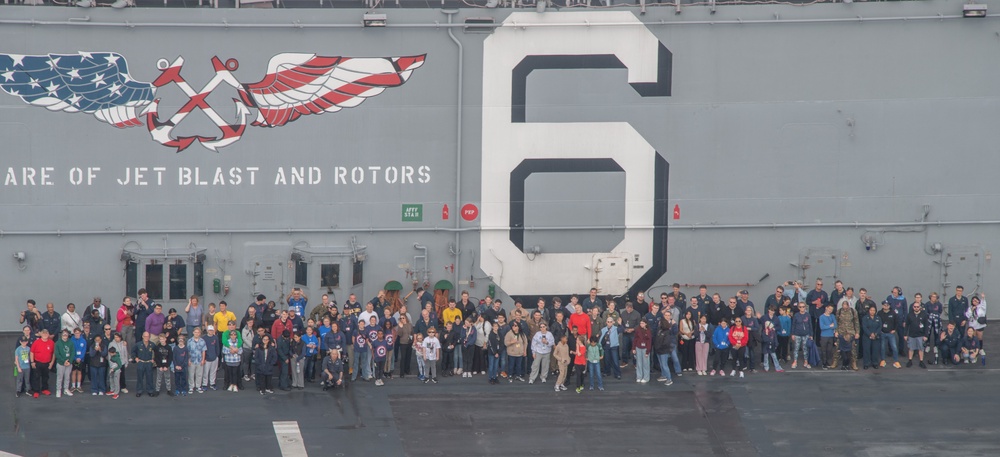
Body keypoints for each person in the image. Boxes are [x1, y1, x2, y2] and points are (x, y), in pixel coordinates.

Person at [835, 299, 860, 371]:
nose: (845, 307)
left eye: (846, 305)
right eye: (843, 305)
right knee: (838, 347)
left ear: (848, 305)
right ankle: (835, 361)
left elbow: (856, 322)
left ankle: (853, 362)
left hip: (850, 332)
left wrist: (857, 332)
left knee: (853, 348)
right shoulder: (839, 311)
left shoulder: (853, 311)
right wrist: (836, 331)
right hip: (841, 332)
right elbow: (836, 322)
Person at [29, 329, 55, 398]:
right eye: (43, 333)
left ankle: (45, 389)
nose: (45, 335)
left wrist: (52, 363)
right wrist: (32, 362)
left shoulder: (51, 343)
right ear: (41, 334)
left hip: (47, 363)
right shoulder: (36, 342)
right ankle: (36, 391)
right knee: (36, 377)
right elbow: (32, 352)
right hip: (38, 362)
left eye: (46, 333)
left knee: (46, 377)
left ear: (48, 334)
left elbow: (53, 353)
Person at [903, 301, 930, 368]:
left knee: (921, 349)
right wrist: (905, 334)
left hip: (920, 335)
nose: (916, 308)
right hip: (911, 335)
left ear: (920, 307)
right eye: (915, 307)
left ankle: (921, 361)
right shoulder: (909, 315)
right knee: (911, 348)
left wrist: (926, 335)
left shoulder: (924, 315)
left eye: (917, 307)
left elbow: (926, 326)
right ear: (913, 307)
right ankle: (910, 360)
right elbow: (907, 325)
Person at [655, 317, 680, 384]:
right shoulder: (659, 330)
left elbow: (666, 342)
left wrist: (659, 346)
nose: (659, 323)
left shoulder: (667, 332)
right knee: (661, 364)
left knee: (664, 365)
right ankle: (663, 375)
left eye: (660, 322)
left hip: (663, 350)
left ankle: (669, 379)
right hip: (658, 350)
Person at [131, 331, 155, 397]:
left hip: (148, 363)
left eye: (148, 336)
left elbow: (157, 352)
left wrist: (154, 359)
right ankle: (139, 390)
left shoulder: (152, 344)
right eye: (145, 336)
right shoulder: (138, 344)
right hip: (141, 363)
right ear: (142, 336)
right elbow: (133, 351)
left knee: (149, 377)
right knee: (140, 377)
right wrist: (135, 358)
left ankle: (150, 390)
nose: (146, 338)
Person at [878, 301, 901, 368]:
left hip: (891, 333)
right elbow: (878, 322)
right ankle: (883, 360)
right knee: (882, 347)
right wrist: (880, 330)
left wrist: (894, 330)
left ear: (889, 306)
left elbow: (897, 322)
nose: (886, 306)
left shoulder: (893, 313)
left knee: (894, 347)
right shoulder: (879, 313)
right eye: (884, 305)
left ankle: (896, 361)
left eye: (887, 305)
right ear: (882, 306)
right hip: (882, 333)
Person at [790, 302, 812, 369]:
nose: (802, 308)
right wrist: (792, 334)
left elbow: (810, 325)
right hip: (797, 334)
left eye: (803, 307)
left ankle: (806, 361)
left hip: (806, 334)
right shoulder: (796, 315)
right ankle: (795, 361)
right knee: (796, 348)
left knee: (805, 348)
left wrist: (811, 334)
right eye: (800, 307)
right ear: (798, 308)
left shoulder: (808, 315)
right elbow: (793, 325)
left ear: (805, 307)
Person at [860, 306, 882, 370]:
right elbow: (864, 327)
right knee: (866, 350)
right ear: (869, 311)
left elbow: (880, 326)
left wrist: (875, 334)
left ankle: (875, 363)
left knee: (875, 350)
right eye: (871, 310)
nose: (872, 311)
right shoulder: (865, 318)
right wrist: (870, 334)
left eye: (874, 310)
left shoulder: (878, 318)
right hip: (867, 336)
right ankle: (866, 364)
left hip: (876, 336)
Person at [53, 330, 73, 398]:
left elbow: (73, 353)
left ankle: (66, 389)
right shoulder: (57, 343)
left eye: (66, 335)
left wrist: (69, 361)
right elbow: (57, 354)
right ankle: (58, 390)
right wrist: (63, 361)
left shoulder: (71, 343)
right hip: (60, 363)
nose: (65, 336)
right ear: (61, 335)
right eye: (64, 334)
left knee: (67, 377)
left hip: (69, 363)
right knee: (59, 377)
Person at [187, 327, 207, 394]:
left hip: (199, 360)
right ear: (193, 332)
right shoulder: (189, 341)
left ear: (200, 333)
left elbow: (203, 351)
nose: (197, 333)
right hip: (192, 360)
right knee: (191, 374)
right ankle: (191, 387)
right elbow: (188, 351)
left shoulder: (202, 341)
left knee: (199, 374)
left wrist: (203, 360)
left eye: (198, 332)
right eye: (195, 332)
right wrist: (188, 360)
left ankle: (198, 386)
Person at [818, 304, 837, 369]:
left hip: (831, 335)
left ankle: (828, 362)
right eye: (829, 309)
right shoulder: (821, 317)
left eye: (831, 309)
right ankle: (824, 363)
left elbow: (835, 325)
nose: (830, 310)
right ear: (826, 308)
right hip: (824, 336)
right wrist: (830, 326)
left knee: (829, 350)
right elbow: (822, 327)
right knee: (823, 350)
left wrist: (829, 326)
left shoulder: (832, 316)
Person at [203, 325, 221, 390]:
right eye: (209, 330)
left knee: (213, 371)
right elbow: (203, 349)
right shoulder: (204, 338)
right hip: (207, 358)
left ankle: (212, 383)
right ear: (207, 330)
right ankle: (204, 384)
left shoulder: (215, 338)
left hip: (214, 357)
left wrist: (217, 355)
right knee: (205, 371)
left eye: (212, 330)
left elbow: (217, 347)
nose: (211, 331)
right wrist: (204, 358)